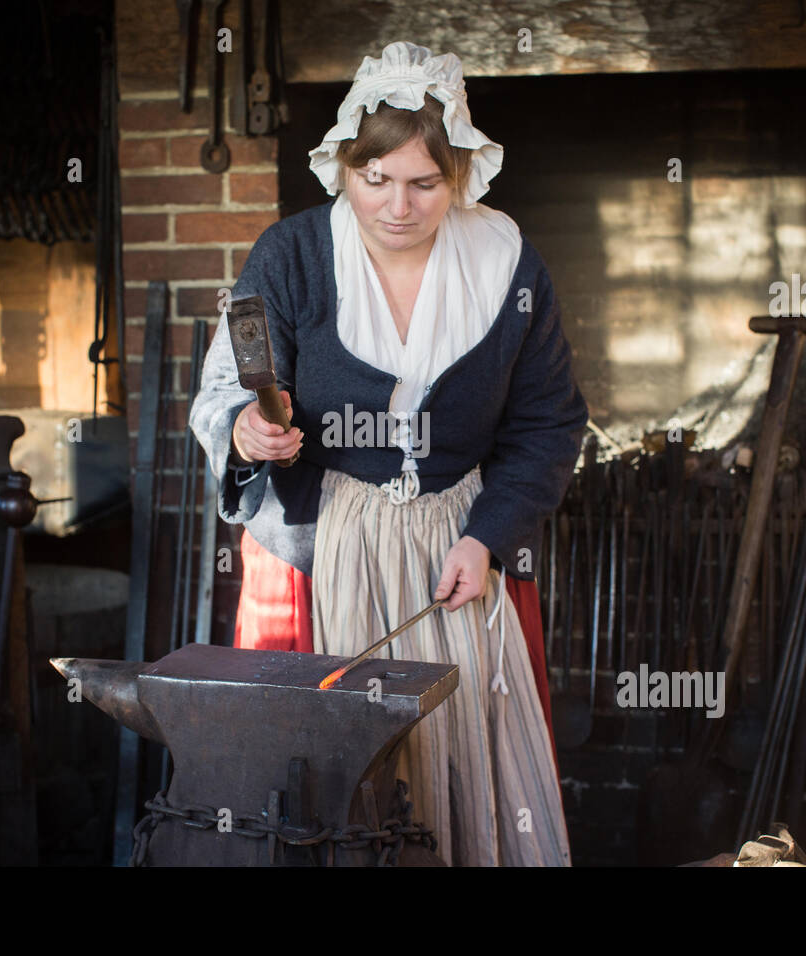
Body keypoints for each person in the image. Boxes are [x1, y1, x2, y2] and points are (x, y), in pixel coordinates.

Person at [189, 41, 587, 866]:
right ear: (343, 164)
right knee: (323, 770)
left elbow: (549, 422)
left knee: (460, 762)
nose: (397, 206)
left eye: (423, 183)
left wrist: (488, 538)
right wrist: (248, 432)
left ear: (461, 176)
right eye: (376, 179)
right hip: (323, 540)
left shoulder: (505, 263)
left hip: (460, 546)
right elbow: (231, 386)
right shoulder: (292, 254)